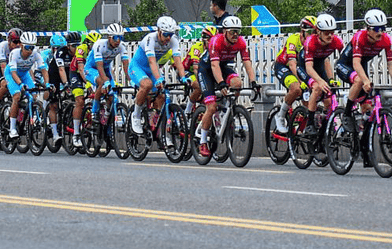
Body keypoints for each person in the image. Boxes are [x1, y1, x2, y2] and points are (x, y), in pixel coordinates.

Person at [195, 16, 258, 157]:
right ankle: (203, 141)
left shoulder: (241, 42)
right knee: (211, 107)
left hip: (222, 67)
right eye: (232, 32)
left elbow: (247, 62)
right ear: (224, 32)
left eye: (238, 31)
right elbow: (213, 65)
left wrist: (253, 82)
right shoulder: (215, 42)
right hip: (206, 70)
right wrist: (221, 83)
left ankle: (225, 111)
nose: (235, 35)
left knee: (237, 83)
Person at [335, 8, 392, 130]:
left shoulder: (385, 40)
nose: (380, 32)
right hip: (345, 65)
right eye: (376, 29)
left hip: (361, 66)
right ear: (368, 29)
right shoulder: (360, 37)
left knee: (367, 107)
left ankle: (362, 136)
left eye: (383, 28)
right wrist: (365, 80)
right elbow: (356, 63)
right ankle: (347, 113)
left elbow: (391, 62)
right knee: (359, 81)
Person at [128, 16, 186, 140]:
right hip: (137, 67)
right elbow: (152, 61)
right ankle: (136, 115)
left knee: (162, 95)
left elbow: (178, 61)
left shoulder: (173, 40)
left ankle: (156, 121)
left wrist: (184, 78)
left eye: (171, 34)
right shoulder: (150, 39)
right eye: (166, 34)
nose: (168, 38)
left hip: (151, 70)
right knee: (147, 85)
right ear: (159, 31)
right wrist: (159, 78)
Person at [271, 16, 317, 133]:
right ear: (302, 32)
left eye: (315, 32)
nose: (313, 36)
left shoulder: (314, 43)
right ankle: (280, 115)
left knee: (309, 103)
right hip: (284, 66)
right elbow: (292, 65)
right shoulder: (293, 39)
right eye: (310, 33)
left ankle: (302, 128)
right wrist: (301, 81)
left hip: (300, 68)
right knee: (296, 88)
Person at [4, 31, 49, 139]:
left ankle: (26, 116)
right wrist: (20, 84)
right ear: (21, 45)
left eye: (32, 48)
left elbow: (44, 70)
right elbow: (13, 73)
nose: (29, 50)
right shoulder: (14, 53)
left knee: (33, 96)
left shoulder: (36, 54)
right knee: (17, 96)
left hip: (24, 74)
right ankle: (12, 128)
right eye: (27, 47)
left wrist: (47, 84)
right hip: (11, 74)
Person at [84, 24, 129, 128]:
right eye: (116, 37)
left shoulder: (121, 46)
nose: (118, 41)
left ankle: (107, 114)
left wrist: (131, 80)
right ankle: (94, 112)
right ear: (109, 37)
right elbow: (99, 66)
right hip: (91, 69)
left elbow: (126, 65)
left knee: (113, 95)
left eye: (120, 37)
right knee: (102, 82)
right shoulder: (99, 45)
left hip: (105, 69)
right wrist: (106, 81)